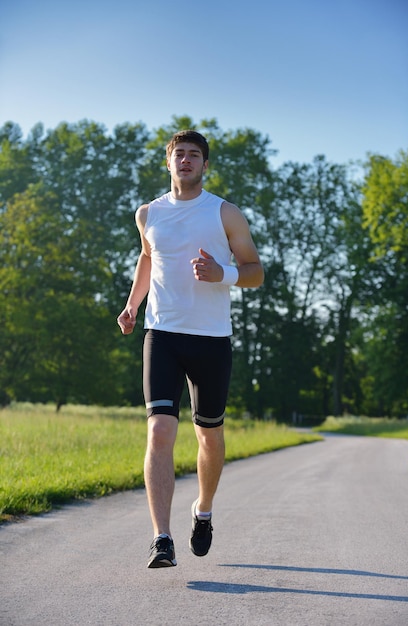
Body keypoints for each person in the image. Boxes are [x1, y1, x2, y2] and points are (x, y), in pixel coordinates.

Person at [117, 130, 264, 568]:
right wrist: (131, 305)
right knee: (160, 430)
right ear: (168, 163)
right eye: (178, 154)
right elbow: (147, 258)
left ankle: (203, 511)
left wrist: (223, 274)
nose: (185, 161)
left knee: (209, 436)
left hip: (211, 339)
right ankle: (161, 538)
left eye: (194, 155)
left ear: (204, 165)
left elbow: (255, 271)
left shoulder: (225, 213)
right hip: (161, 334)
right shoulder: (148, 214)